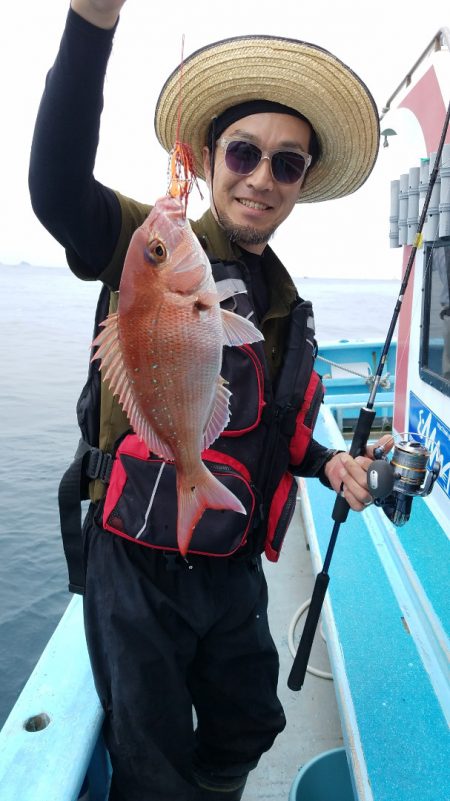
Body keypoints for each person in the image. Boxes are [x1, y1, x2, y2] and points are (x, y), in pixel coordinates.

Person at [29, 2, 386, 799]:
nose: (261, 177)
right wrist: (91, 24)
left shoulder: (288, 303)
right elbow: (54, 188)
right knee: (150, 764)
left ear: (299, 185)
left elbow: (281, 427)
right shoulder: (149, 249)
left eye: (286, 164)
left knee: (250, 720)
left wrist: (331, 465)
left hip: (229, 565)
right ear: (211, 157)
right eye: (245, 151)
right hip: (137, 560)